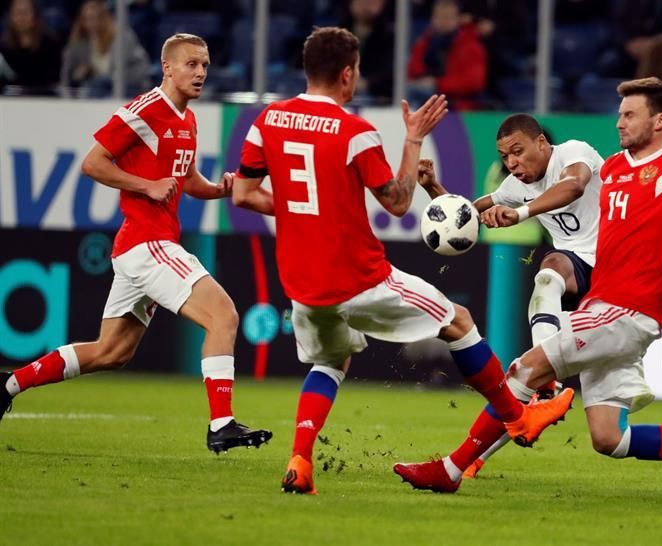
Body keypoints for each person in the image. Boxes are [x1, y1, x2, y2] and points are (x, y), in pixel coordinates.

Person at [231, 26, 575, 495]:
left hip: (302, 281)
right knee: (459, 322)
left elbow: (245, 194)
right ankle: (518, 418)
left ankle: (300, 460)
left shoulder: (265, 121)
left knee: (331, 362)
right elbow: (396, 201)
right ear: (348, 74)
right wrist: (413, 140)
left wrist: (297, 208)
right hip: (359, 275)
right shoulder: (354, 132)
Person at [398, 77, 662, 504]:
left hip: (624, 310)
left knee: (523, 370)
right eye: (620, 114)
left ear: (659, 120)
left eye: (630, 114)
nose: (620, 122)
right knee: (609, 438)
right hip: (603, 303)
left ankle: (452, 468)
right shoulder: (616, 169)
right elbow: (621, 229)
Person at [0, 33, 271, 455]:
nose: (200, 72)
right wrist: (145, 184)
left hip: (139, 249)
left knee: (111, 352)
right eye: (191, 64)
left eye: (205, 65)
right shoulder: (147, 110)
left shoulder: (187, 119)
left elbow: (185, 181)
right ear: (167, 67)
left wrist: (220, 189)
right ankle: (221, 424)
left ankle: (9, 384)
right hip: (149, 243)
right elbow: (93, 163)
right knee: (223, 314)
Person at [407, 0, 488, 111]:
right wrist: (423, 79)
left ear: (457, 19)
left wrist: (438, 83)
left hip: (458, 103)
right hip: (426, 96)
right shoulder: (425, 42)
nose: (443, 21)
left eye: (448, 17)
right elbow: (412, 68)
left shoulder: (470, 45)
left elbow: (474, 81)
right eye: (439, 17)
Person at [61, 0, 151, 95]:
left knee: (99, 83)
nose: (92, 23)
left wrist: (116, 77)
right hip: (95, 89)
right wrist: (80, 74)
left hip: (125, 86)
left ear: (105, 17)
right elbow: (67, 77)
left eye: (96, 18)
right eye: (87, 19)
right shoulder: (78, 45)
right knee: (92, 86)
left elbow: (142, 67)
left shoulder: (122, 37)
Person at [0, 0, 62, 94]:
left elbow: (53, 79)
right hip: (11, 101)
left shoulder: (50, 44)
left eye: (25, 12)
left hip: (43, 98)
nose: (21, 17)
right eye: (17, 13)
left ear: (35, 16)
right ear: (10, 17)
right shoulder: (4, 47)